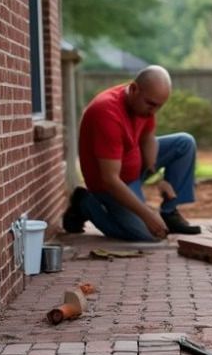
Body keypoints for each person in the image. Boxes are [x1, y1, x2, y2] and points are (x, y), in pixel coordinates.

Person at [62, 65, 201, 241]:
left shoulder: (144, 102)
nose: (154, 111)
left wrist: (154, 172)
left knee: (185, 143)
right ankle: (86, 204)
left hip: (132, 165)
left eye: (159, 106)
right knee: (149, 235)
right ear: (134, 89)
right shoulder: (106, 113)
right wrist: (148, 214)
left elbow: (148, 136)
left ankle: (169, 213)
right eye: (151, 105)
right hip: (110, 185)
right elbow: (110, 180)